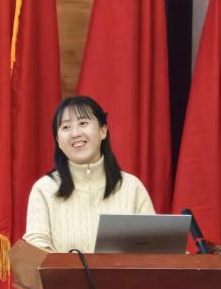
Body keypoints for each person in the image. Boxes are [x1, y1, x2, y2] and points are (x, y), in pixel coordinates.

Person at [24, 96, 155, 253]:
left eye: (83, 123)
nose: (75, 133)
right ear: (58, 140)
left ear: (102, 131)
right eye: (66, 127)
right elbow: (36, 251)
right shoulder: (44, 189)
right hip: (60, 271)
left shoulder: (131, 187)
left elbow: (152, 247)